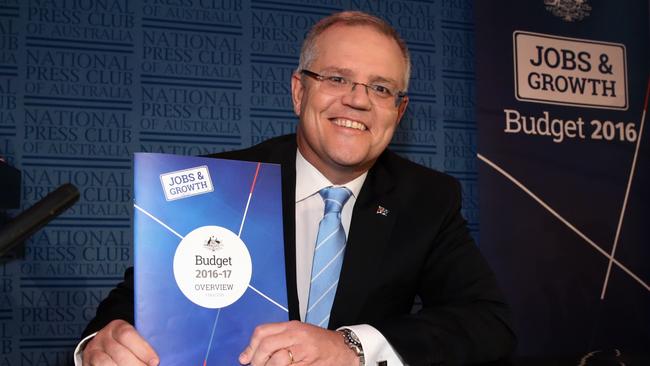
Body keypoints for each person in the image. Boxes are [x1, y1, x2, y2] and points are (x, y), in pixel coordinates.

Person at [76, 11, 516, 366]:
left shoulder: (427, 198)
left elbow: (487, 323)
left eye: (380, 88)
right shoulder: (222, 183)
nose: (358, 100)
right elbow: (132, 307)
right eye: (337, 78)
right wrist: (97, 345)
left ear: (398, 113)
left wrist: (352, 348)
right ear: (298, 92)